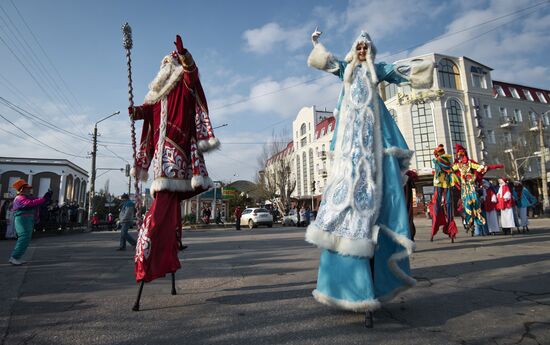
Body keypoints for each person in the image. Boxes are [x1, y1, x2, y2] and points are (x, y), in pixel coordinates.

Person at [305, 29, 434, 318]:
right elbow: (326, 62)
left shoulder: (378, 69)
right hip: (351, 148)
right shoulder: (346, 69)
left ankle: (374, 284)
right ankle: (346, 288)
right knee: (345, 211)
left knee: (380, 205)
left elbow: (402, 72)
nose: (362, 49)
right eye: (359, 46)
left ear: (371, 49)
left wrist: (426, 67)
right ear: (354, 49)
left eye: (366, 46)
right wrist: (315, 44)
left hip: (378, 143)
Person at [129, 34, 218, 283]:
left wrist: (185, 55)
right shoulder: (155, 96)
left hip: (176, 151)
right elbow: (146, 113)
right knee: (164, 205)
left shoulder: (183, 83)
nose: (165, 66)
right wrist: (135, 111)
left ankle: (152, 255)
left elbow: (192, 75)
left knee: (161, 211)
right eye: (164, 64)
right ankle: (169, 247)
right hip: (159, 156)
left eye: (170, 63)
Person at [8, 179, 51, 265]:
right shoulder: (19, 198)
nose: (29, 190)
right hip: (22, 220)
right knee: (24, 238)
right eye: (27, 188)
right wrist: (43, 199)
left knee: (26, 238)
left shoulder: (26, 197)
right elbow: (29, 204)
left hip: (27, 220)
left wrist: (46, 197)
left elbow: (37, 201)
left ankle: (17, 257)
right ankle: (14, 257)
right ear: (22, 189)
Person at [429, 144, 459, 242]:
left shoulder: (440, 160)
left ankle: (449, 230)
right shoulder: (441, 160)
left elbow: (448, 168)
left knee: (447, 205)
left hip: (445, 183)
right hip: (440, 183)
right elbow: (449, 168)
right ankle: (438, 229)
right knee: (440, 206)